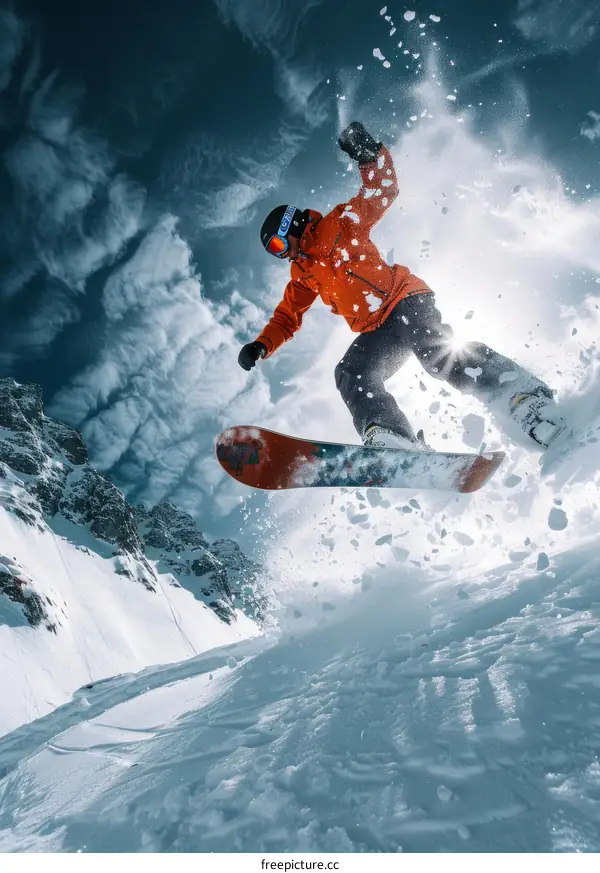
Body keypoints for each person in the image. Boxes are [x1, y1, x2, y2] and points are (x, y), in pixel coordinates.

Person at [238, 121, 564, 451]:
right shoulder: (302, 274)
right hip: (377, 329)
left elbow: (381, 191)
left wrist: (369, 155)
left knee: (436, 354)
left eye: (280, 246)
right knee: (351, 373)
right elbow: (286, 316)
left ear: (292, 225)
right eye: (275, 254)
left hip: (405, 299)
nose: (283, 256)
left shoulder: (339, 224)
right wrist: (261, 345)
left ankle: (520, 396)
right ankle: (392, 436)